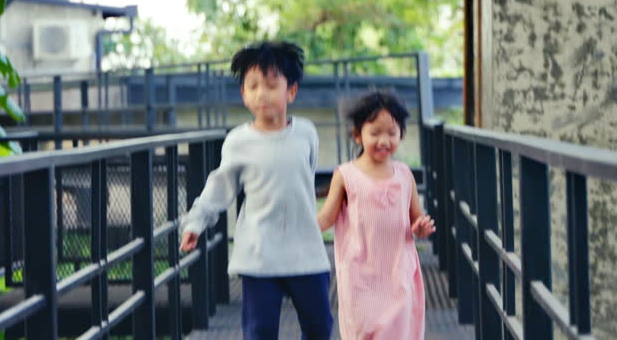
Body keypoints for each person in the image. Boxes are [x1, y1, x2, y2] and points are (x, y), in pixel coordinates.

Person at [179, 41, 333, 340]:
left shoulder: (306, 132)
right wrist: (196, 222)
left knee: (319, 327)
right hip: (259, 254)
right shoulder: (239, 141)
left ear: (291, 91)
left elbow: (306, 174)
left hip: (306, 252)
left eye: (272, 85)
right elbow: (219, 186)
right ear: (244, 95)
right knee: (259, 331)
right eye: (253, 86)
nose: (262, 93)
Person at [317, 91, 436, 339]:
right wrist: (296, 228)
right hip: (360, 278)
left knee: (397, 332)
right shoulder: (346, 174)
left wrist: (422, 227)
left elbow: (417, 218)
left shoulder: (404, 176)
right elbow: (326, 218)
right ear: (357, 135)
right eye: (375, 133)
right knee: (364, 332)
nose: (384, 140)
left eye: (392, 133)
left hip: (398, 273)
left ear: (401, 135)